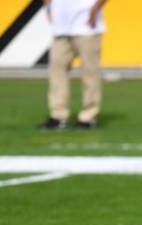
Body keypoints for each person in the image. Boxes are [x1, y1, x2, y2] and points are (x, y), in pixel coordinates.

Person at [40, 0, 107, 130]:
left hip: (87, 26)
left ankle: (88, 117)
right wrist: (48, 7)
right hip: (61, 27)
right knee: (57, 71)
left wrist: (95, 8)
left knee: (90, 73)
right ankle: (58, 116)